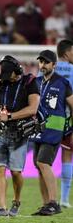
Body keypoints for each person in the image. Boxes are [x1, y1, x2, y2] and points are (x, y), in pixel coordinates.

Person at [0, 55, 40, 216]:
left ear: (17, 71)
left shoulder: (29, 83)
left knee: (16, 172)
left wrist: (9, 116)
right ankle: (2, 207)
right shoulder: (2, 85)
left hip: (19, 134)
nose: (5, 77)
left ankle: (16, 201)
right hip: (1, 132)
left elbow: (33, 109)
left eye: (8, 73)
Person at [31, 50, 73, 216]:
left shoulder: (62, 82)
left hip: (54, 129)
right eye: (40, 62)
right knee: (38, 166)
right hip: (38, 128)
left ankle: (54, 203)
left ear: (54, 65)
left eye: (46, 62)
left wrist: (70, 126)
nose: (42, 65)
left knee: (43, 163)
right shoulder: (36, 82)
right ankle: (46, 204)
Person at [55, 39, 73, 208]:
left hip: (49, 120)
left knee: (44, 161)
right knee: (68, 156)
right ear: (67, 53)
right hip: (69, 119)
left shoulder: (48, 68)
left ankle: (50, 200)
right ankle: (65, 199)